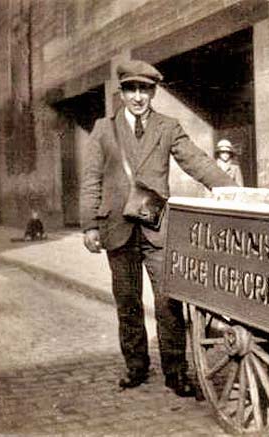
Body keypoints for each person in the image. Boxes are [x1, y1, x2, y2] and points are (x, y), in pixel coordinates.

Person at [80, 60, 237, 396]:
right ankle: (136, 366)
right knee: (127, 301)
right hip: (116, 226)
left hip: (157, 226)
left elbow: (196, 160)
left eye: (145, 90)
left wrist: (230, 188)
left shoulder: (168, 126)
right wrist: (89, 225)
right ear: (121, 92)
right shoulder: (102, 129)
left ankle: (176, 371)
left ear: (153, 92)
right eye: (131, 89)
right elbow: (91, 179)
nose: (138, 97)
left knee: (169, 302)